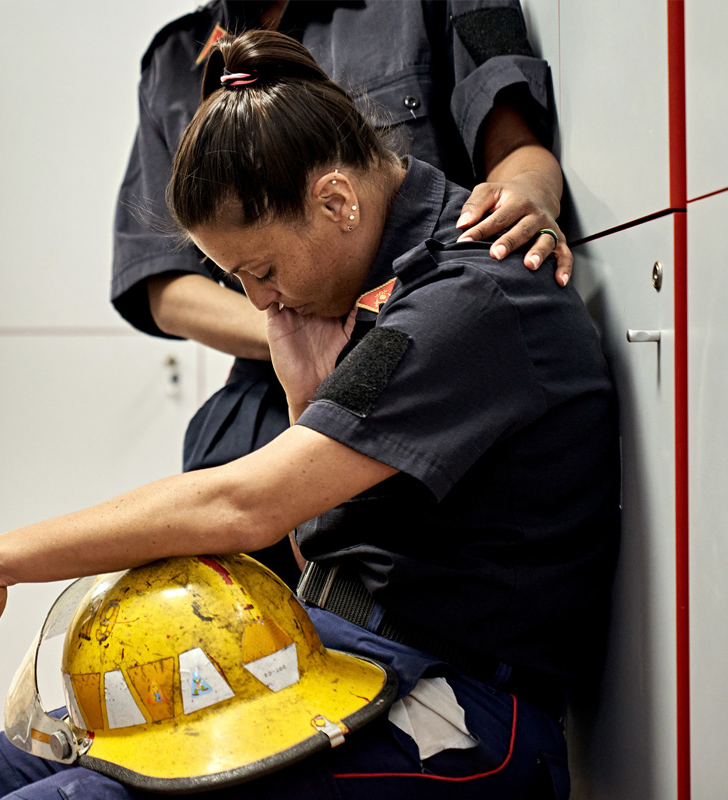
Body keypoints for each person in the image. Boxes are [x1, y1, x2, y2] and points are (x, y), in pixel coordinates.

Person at [0, 29, 617, 800]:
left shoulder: (463, 303)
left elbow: (243, 504)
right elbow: (312, 544)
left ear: (337, 201)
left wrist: (1, 560)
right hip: (340, 651)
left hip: (466, 709)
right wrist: (301, 395)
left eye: (262, 270)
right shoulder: (390, 290)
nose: (256, 301)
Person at [112, 0, 572, 587]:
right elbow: (163, 284)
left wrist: (527, 202)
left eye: (263, 273)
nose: (253, 292)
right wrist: (298, 335)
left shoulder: (414, 8)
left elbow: (514, 152)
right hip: (272, 386)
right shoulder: (175, 58)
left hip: (420, 371)